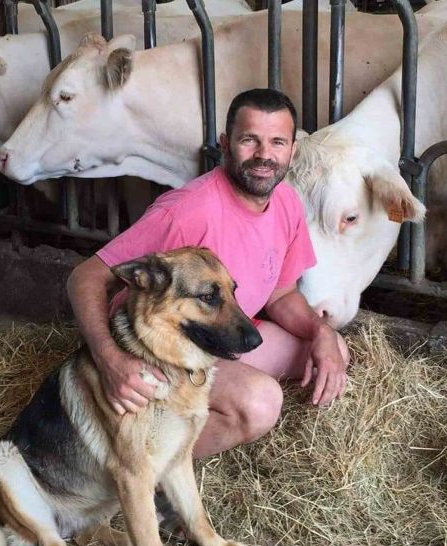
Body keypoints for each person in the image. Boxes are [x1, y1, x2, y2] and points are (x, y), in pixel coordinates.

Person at [67, 88, 349, 459]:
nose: (265, 155)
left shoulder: (287, 203)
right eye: (250, 140)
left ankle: (158, 449)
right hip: (159, 349)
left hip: (221, 334)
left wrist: (321, 332)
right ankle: (127, 469)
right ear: (225, 144)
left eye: (277, 142)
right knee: (260, 403)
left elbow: (280, 294)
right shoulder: (186, 212)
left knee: (334, 351)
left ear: (292, 151)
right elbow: (84, 277)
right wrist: (109, 360)